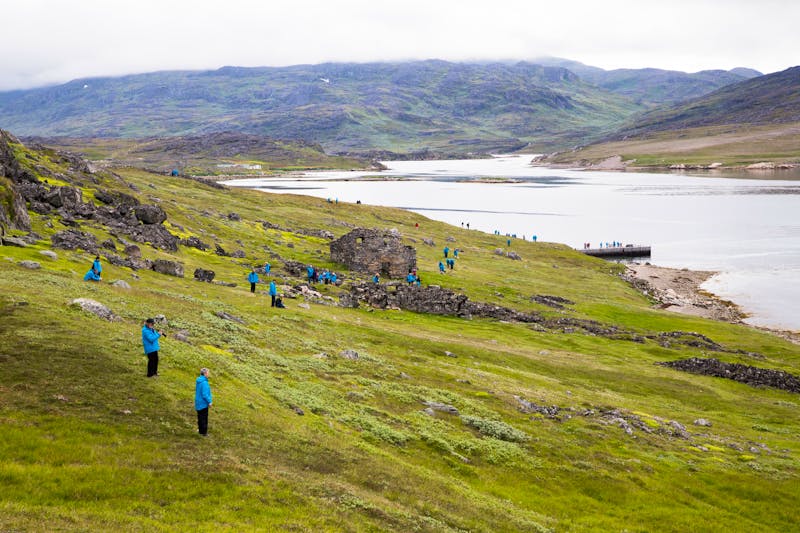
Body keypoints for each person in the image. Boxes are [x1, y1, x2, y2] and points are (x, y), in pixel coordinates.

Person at [195, 368, 213, 436]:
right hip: (203, 403)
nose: (209, 374)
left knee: (200, 417)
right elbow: (205, 394)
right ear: (205, 374)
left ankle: (200, 430)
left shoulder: (199, 380)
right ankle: (204, 433)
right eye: (208, 373)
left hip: (198, 402)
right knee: (204, 418)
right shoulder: (204, 383)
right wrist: (209, 402)